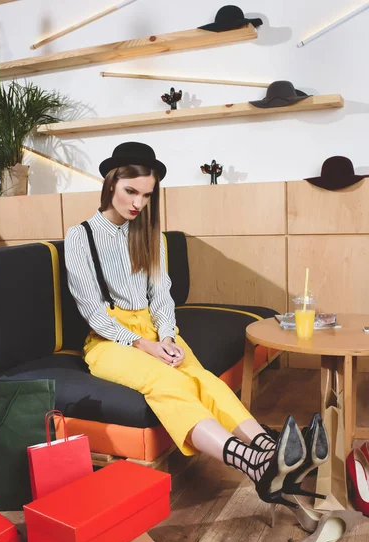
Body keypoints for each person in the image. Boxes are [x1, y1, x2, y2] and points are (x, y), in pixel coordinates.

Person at [64, 142, 328, 511]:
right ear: (111, 184)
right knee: (168, 381)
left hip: (157, 332)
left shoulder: (151, 236)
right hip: (110, 341)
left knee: (202, 378)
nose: (138, 203)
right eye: (130, 191)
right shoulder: (81, 237)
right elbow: (93, 312)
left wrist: (168, 337)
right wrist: (145, 345)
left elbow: (161, 297)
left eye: (146, 195)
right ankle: (250, 462)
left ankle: (270, 451)